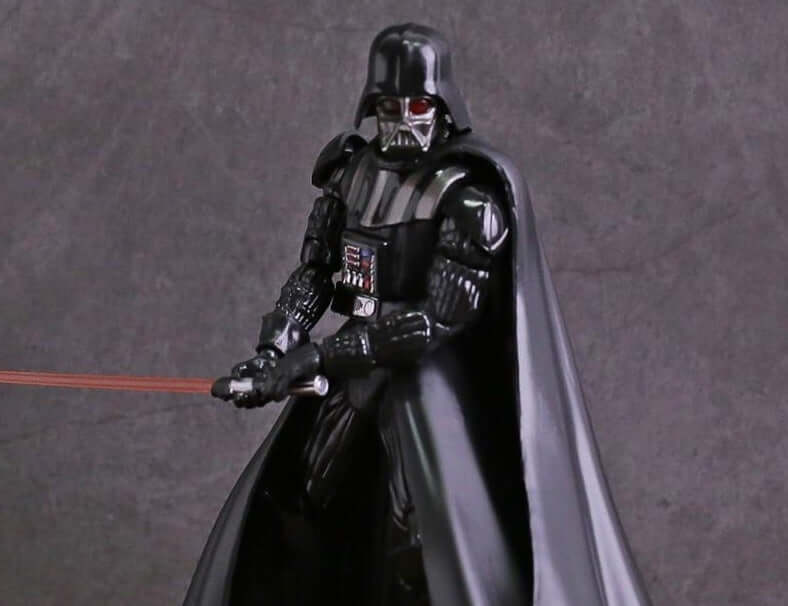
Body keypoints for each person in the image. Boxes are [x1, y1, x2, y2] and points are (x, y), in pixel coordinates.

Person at [185, 23, 651, 606]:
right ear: (371, 106)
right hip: (351, 366)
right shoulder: (350, 175)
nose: (403, 120)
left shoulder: (466, 197)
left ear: (443, 106)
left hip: (424, 379)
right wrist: (275, 347)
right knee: (300, 497)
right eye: (390, 107)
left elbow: (433, 321)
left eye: (418, 106)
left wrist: (313, 358)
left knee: (424, 531)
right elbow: (316, 273)